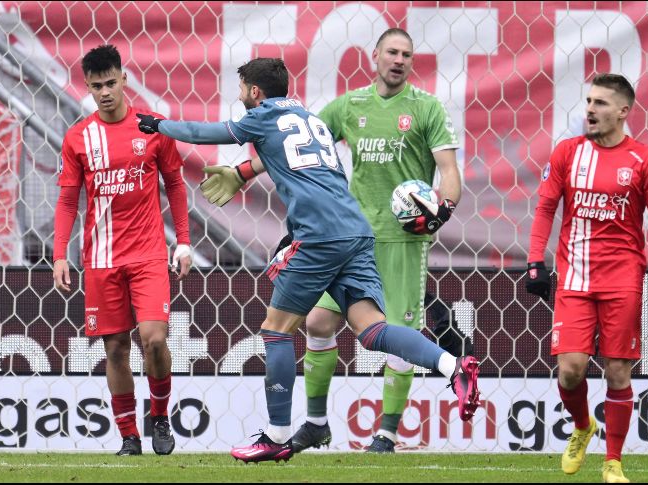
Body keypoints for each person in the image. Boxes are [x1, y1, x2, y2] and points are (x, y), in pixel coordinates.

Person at [137, 57, 480, 464]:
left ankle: (277, 435)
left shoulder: (262, 116)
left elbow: (208, 132)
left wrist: (160, 125)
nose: (240, 96)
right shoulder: (311, 119)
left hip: (320, 237)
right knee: (372, 331)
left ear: (254, 92)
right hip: (355, 229)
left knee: (277, 331)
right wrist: (244, 174)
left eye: (241, 89)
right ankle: (453, 366)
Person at [287, 27, 470, 454]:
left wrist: (443, 209)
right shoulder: (351, 105)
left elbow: (448, 170)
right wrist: (249, 172)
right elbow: (305, 146)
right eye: (392, 52)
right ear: (375, 56)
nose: (399, 60)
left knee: (400, 335)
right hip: (352, 238)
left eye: (406, 54)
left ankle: (386, 434)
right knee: (316, 321)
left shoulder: (425, 109)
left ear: (411, 62)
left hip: (403, 241)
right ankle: (316, 422)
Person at [525, 73, 648, 483]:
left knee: (617, 372)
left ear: (624, 111)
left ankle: (613, 463)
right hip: (574, 276)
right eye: (588, 100)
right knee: (570, 370)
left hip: (623, 278)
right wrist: (535, 260)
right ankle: (582, 425)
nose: (591, 109)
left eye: (602, 103)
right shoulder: (567, 153)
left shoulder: (644, 161)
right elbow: (545, 210)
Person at [52, 44, 193, 456]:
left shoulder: (153, 128)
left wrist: (183, 242)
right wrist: (60, 254)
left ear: (124, 78)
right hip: (100, 258)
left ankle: (161, 416)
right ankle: (129, 436)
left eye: (111, 82)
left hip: (149, 254)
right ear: (88, 87)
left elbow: (176, 186)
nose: (105, 92)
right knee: (115, 347)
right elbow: (66, 201)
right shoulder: (78, 137)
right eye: (97, 86)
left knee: (153, 339)